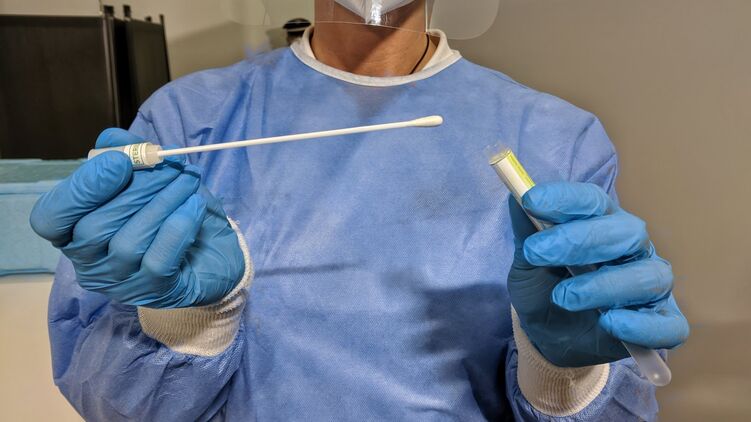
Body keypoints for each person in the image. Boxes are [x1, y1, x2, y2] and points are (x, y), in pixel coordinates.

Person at [30, 1, 689, 420]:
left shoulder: (555, 136)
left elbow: (608, 389)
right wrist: (190, 318)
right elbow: (115, 403)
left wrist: (563, 374)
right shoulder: (188, 119)